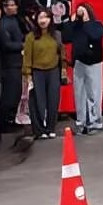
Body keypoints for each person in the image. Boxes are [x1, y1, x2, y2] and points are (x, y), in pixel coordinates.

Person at [22, 8, 66, 140]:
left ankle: (51, 128)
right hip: (37, 72)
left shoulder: (56, 35)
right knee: (37, 101)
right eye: (40, 18)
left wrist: (63, 70)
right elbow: (27, 57)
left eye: (45, 17)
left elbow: (62, 53)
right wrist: (28, 75)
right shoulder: (31, 37)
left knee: (53, 100)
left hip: (53, 71)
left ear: (50, 19)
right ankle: (40, 129)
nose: (43, 20)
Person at [62, 2, 103, 135]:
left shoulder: (96, 25)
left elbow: (95, 36)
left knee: (94, 92)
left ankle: (95, 122)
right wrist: (71, 21)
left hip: (94, 62)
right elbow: (66, 38)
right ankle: (81, 122)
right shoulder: (76, 27)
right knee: (79, 93)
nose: (81, 13)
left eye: (83, 11)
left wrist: (86, 21)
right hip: (79, 62)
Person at [0, 0, 25, 132]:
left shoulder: (14, 21)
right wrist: (23, 45)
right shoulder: (3, 24)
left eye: (15, 5)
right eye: (11, 5)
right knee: (10, 94)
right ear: (5, 8)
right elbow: (5, 44)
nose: (15, 7)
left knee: (16, 93)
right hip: (9, 64)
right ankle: (4, 122)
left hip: (16, 63)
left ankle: (10, 119)